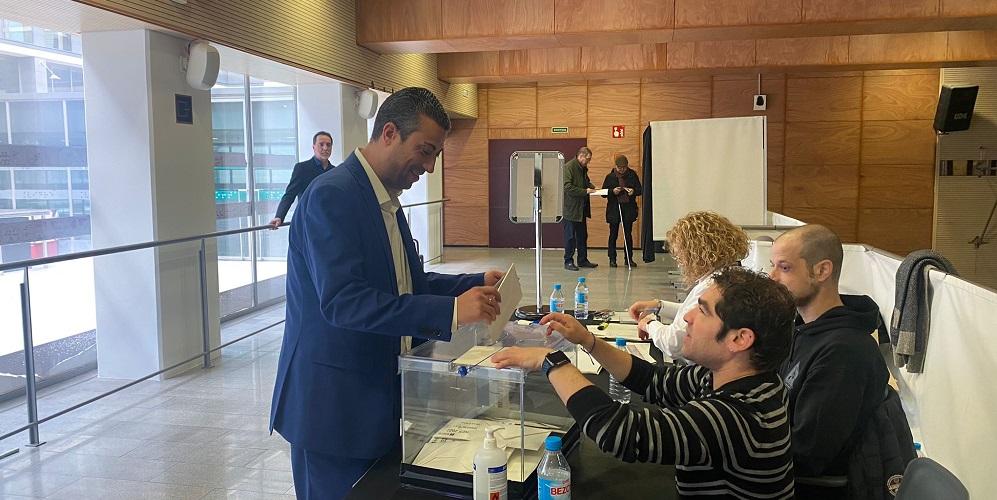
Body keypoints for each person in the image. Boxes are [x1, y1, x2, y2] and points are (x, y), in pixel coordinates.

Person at [269, 88, 506, 500]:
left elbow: (404, 286)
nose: (429, 167)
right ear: (390, 133)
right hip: (333, 409)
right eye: (425, 151)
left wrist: (473, 282)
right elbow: (345, 302)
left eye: (435, 156)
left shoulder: (385, 201)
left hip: (379, 403)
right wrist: (451, 311)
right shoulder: (332, 196)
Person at [492, 267, 797, 499]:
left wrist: (551, 361)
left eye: (703, 311)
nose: (688, 316)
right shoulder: (734, 378)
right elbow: (653, 379)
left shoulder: (740, 415)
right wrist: (588, 340)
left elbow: (620, 433)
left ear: (739, 338)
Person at [769, 224, 890, 499]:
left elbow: (807, 454)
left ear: (822, 271)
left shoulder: (844, 352)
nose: (771, 276)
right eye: (772, 265)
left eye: (784, 268)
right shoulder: (800, 330)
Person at [628, 211, 749, 360]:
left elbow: (673, 343)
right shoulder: (730, 275)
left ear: (697, 253)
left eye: (681, 256)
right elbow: (696, 313)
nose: (681, 263)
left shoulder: (713, 287)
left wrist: (648, 324)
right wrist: (658, 306)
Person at [268, 131, 334, 228]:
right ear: (314, 147)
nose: (325, 148)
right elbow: (290, 195)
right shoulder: (302, 168)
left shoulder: (335, 171)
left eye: (328, 145)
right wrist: (279, 216)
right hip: (308, 224)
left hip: (329, 224)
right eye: (321, 144)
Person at [601, 154, 641, 268]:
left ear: (627, 166)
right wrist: (612, 191)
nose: (622, 170)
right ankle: (612, 259)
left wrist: (633, 191)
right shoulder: (610, 176)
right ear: (616, 166)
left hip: (628, 208)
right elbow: (604, 193)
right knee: (613, 234)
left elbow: (640, 189)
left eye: (624, 168)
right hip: (614, 209)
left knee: (627, 234)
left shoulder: (632, 175)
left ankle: (629, 258)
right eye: (619, 168)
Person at [562, 146, 597, 271]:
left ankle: (582, 260)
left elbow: (586, 182)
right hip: (571, 210)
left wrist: (594, 188)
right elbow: (567, 187)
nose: (588, 161)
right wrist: (585, 191)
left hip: (581, 210)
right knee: (570, 237)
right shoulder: (569, 167)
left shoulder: (583, 168)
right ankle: (568, 261)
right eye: (587, 159)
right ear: (581, 156)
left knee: (582, 236)